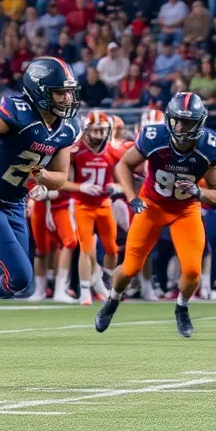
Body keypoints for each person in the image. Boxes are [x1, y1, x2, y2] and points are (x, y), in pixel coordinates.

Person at [0, 57, 82, 338]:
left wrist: (40, 176)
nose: (67, 99)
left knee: (20, 279)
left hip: (16, 203)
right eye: (59, 92)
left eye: (69, 92)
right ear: (40, 91)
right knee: (17, 272)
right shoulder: (17, 112)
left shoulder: (67, 128)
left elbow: (61, 176)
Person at [96, 91, 216, 338]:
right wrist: (131, 196)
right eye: (176, 119)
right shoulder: (154, 137)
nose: (180, 126)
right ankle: (112, 300)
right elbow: (123, 164)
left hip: (185, 210)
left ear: (199, 122)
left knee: (192, 271)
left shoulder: (210, 147)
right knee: (130, 268)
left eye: (187, 121)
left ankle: (182, 307)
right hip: (151, 205)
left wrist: (199, 192)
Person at [60, 110, 123, 305]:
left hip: (104, 205)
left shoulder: (114, 151)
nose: (98, 136)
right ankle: (85, 291)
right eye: (94, 131)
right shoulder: (75, 151)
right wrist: (81, 186)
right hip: (81, 205)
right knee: (87, 248)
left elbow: (125, 181)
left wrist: (117, 187)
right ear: (86, 131)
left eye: (102, 131)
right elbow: (61, 182)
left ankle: (105, 280)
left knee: (112, 250)